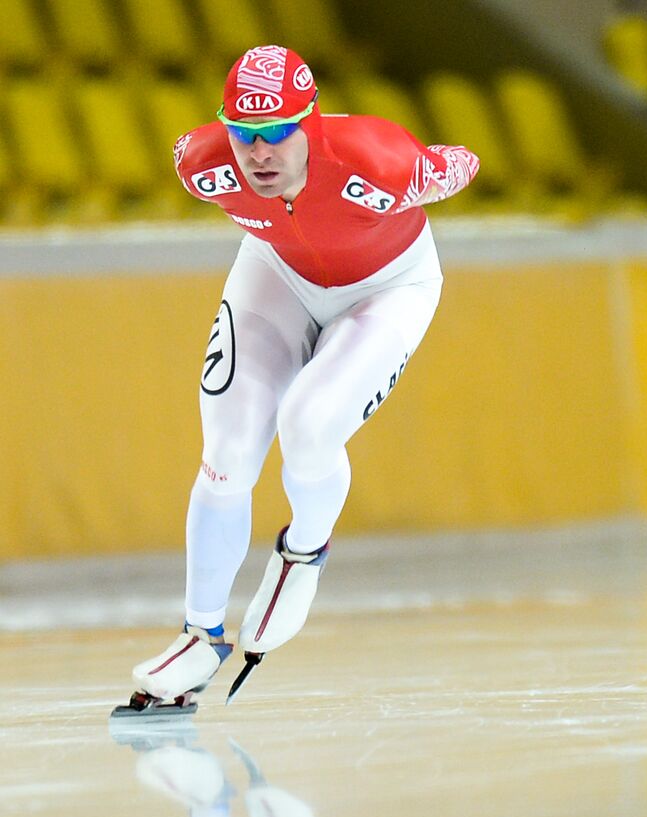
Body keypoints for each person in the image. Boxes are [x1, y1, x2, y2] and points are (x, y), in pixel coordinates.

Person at [118, 45, 479, 715]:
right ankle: (200, 634)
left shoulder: (379, 162)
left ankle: (303, 550)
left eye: (279, 130)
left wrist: (437, 169)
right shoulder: (203, 166)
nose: (259, 153)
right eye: (244, 133)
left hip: (388, 287)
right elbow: (216, 154)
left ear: (310, 120)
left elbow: (461, 163)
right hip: (279, 274)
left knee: (309, 426)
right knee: (227, 453)